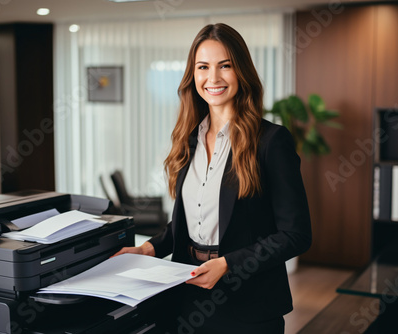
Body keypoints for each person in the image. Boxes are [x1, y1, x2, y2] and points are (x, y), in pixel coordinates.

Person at [113, 23, 312, 333]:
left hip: (248, 302)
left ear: (241, 72)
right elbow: (189, 222)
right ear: (193, 75)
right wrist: (148, 249)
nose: (213, 78)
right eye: (203, 67)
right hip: (187, 292)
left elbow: (295, 234)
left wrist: (229, 263)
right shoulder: (188, 139)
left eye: (225, 66)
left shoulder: (271, 141)